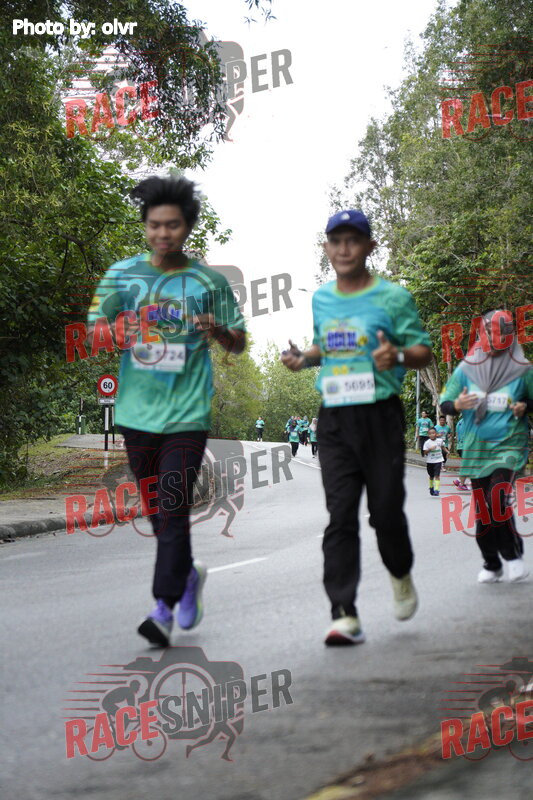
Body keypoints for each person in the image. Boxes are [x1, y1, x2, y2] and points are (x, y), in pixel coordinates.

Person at [86, 175, 246, 645]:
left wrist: (217, 330)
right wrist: (116, 331)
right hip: (137, 413)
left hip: (187, 413)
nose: (163, 234)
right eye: (155, 225)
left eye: (172, 225)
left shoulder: (210, 281)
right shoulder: (122, 275)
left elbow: (238, 342)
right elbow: (92, 332)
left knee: (173, 504)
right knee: (158, 511)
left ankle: (162, 608)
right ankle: (188, 574)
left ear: (187, 227)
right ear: (145, 225)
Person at [281, 209, 432, 645]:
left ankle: (400, 572)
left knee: (385, 512)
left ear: (369, 246)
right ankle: (343, 612)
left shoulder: (393, 297)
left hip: (379, 414)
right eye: (336, 241)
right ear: (326, 247)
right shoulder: (322, 299)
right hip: (334, 418)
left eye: (353, 240)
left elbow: (422, 351)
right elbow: (323, 347)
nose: (344, 248)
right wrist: (303, 359)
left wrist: (397, 356)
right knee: (340, 515)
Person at [440, 308, 532, 584]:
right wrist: (457, 405)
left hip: (509, 445)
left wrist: (524, 406)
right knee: (483, 508)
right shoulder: (467, 368)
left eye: (500, 334)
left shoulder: (522, 369)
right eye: (489, 333)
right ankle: (492, 562)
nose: (493, 339)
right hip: (476, 447)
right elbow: (445, 403)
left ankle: (513, 556)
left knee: (496, 499)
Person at [423, 427, 448, 496]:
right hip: (430, 461)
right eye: (430, 433)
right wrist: (430, 449)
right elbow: (424, 453)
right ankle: (431, 487)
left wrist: (447, 452)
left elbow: (442, 447)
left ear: (436, 434)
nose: (432, 435)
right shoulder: (427, 443)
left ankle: (436, 490)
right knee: (431, 476)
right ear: (428, 435)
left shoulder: (440, 440)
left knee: (437, 475)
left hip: (438, 460)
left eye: (433, 433)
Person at [453, 415, 469, 491]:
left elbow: (457, 435)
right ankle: (461, 484)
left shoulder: (459, 422)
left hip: (460, 446)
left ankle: (458, 480)